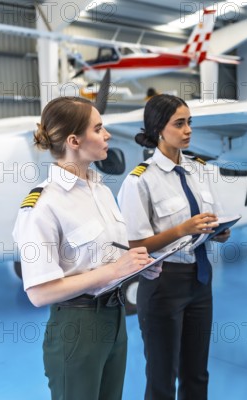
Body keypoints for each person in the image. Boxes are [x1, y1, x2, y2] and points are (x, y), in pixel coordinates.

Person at [12, 96, 161, 400]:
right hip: (77, 327)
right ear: (74, 140)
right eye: (99, 128)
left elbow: (109, 254)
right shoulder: (42, 204)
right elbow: (39, 293)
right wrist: (113, 271)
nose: (107, 135)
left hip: (115, 318)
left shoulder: (102, 190)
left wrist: (136, 265)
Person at [118, 94, 230, 400]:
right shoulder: (140, 181)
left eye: (189, 122)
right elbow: (135, 244)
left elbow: (213, 217)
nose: (188, 130)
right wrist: (182, 229)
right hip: (163, 284)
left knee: (197, 373)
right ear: (158, 130)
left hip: (200, 281)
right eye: (179, 123)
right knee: (162, 377)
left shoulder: (200, 170)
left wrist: (219, 231)